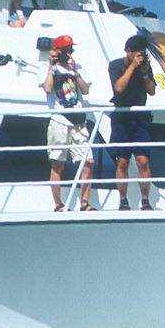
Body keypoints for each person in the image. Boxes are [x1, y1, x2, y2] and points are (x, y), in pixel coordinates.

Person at [41, 35, 95, 211]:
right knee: (58, 163)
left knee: (88, 162)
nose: (69, 53)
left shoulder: (77, 67)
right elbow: (48, 88)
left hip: (79, 120)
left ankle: (85, 202)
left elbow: (85, 90)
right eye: (66, 50)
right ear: (57, 51)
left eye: (71, 49)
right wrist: (51, 66)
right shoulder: (47, 67)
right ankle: (58, 204)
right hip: (59, 120)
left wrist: (75, 72)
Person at [108, 33, 158, 210]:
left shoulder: (145, 66)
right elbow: (119, 88)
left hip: (140, 118)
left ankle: (145, 200)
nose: (140, 56)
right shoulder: (115, 65)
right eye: (137, 52)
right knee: (122, 161)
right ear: (128, 51)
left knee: (143, 160)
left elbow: (151, 91)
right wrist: (131, 68)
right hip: (122, 118)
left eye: (142, 53)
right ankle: (123, 199)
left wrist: (144, 73)